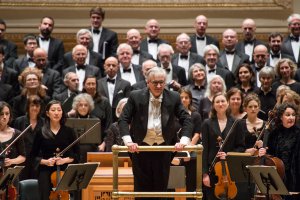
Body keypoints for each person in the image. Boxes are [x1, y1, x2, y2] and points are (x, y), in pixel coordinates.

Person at [119, 67, 193, 199]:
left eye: (162, 82)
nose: (159, 86)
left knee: (161, 191)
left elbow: (187, 119)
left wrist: (183, 141)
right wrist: (128, 142)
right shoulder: (135, 96)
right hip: (140, 149)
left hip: (164, 149)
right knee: (141, 191)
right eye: (155, 82)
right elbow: (123, 119)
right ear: (147, 82)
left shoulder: (174, 96)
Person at [31, 100, 79, 200]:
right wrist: (46, 162)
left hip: (65, 169)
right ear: (48, 113)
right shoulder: (41, 132)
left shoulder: (69, 131)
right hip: (46, 170)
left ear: (62, 112)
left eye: (59, 110)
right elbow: (32, 156)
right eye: (53, 110)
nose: (56, 112)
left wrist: (64, 160)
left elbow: (77, 155)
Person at [201, 93, 245, 200]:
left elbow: (241, 147)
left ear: (227, 103)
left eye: (223, 101)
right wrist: (204, 174)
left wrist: (228, 155)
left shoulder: (236, 123)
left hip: (230, 170)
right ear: (213, 105)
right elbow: (205, 149)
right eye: (217, 102)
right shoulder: (207, 123)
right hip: (212, 168)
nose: (220, 104)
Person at [259, 103, 300, 199]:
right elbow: (270, 156)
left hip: (294, 179)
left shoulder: (298, 133)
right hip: (277, 177)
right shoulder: (274, 133)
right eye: (288, 114)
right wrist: (264, 153)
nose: (291, 117)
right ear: (281, 117)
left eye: (293, 115)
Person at [176, 88, 202, 199]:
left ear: (190, 99)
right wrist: (179, 152)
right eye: (181, 97)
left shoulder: (196, 115)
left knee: (191, 182)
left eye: (186, 97)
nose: (183, 100)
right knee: (176, 181)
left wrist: (187, 151)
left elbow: (197, 134)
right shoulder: (173, 114)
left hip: (191, 151)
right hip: (176, 150)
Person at [13, 95, 44, 180]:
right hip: (23, 161)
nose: (35, 108)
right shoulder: (19, 121)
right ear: (27, 106)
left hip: (37, 162)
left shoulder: (44, 123)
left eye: (37, 106)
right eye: (32, 105)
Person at [67, 93, 99, 163]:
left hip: (91, 151)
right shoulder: (71, 119)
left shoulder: (95, 120)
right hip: (75, 152)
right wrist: (68, 114)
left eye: (86, 105)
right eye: (80, 105)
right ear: (76, 107)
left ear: (89, 107)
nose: (83, 107)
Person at [97, 56, 131, 122]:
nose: (111, 67)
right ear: (104, 66)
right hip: (102, 117)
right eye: (108, 65)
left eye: (113, 65)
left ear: (118, 67)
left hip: (119, 117)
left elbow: (127, 102)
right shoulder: (98, 83)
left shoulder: (126, 84)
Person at [0, 101, 26, 170]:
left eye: (7, 114)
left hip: (10, 176)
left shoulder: (16, 133)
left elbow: (23, 157)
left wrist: (11, 161)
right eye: (1, 114)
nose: (5, 117)